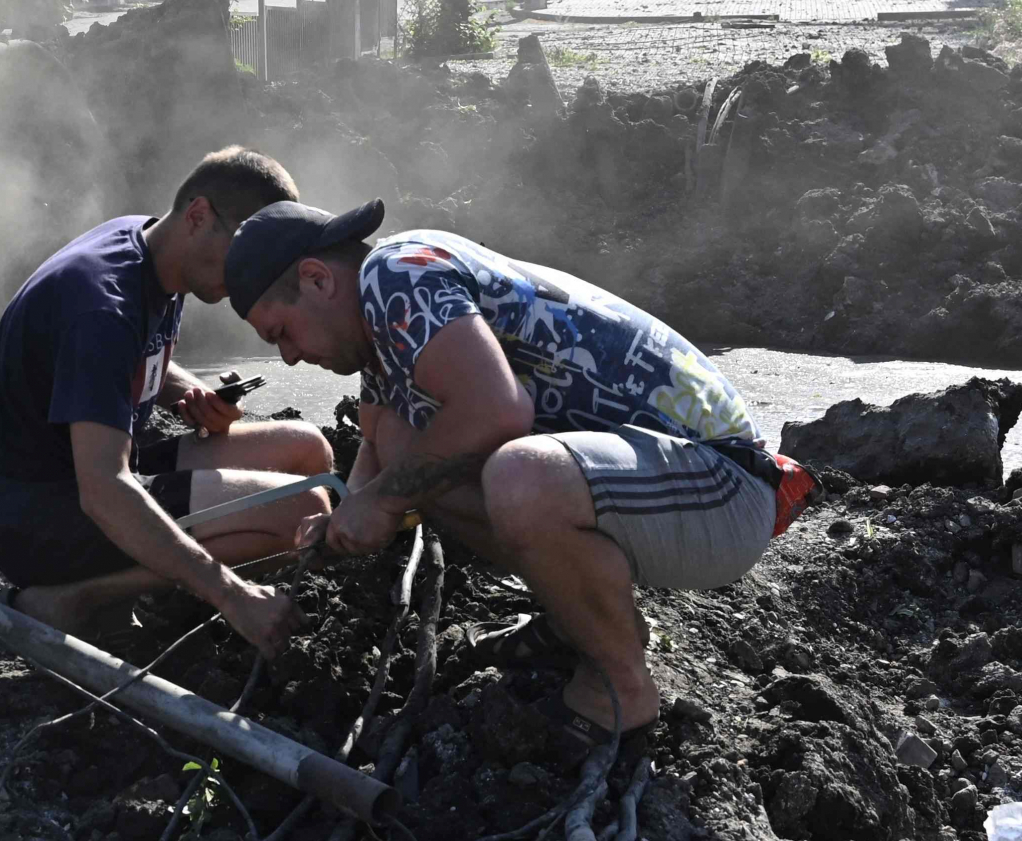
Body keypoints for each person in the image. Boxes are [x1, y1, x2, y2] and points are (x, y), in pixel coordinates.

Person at [227, 200, 802, 745]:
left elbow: (498, 410)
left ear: (317, 279)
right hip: (659, 491)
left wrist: (379, 502)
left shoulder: (395, 273)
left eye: (281, 332)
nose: (289, 358)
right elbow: (381, 449)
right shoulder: (382, 338)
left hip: (725, 486)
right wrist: (341, 524)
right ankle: (580, 625)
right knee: (416, 452)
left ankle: (620, 687)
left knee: (521, 475)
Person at [0, 148, 337, 650]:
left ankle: (158, 572)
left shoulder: (151, 245)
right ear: (198, 216)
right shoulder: (101, 304)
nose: (252, 274)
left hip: (90, 465)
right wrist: (232, 595)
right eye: (247, 252)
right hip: (37, 517)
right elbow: (104, 489)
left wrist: (193, 393)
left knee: (306, 451)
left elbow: (121, 362)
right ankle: (75, 598)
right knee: (300, 511)